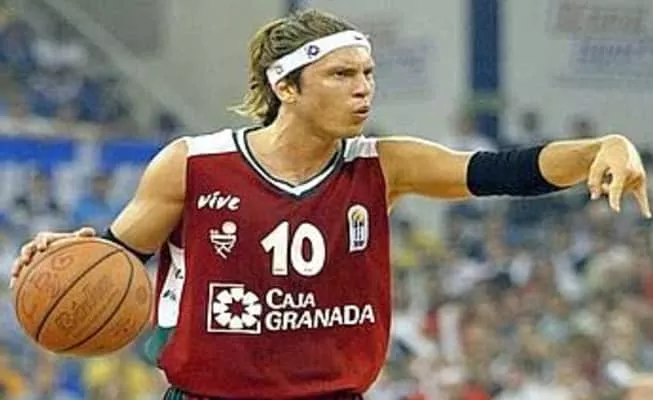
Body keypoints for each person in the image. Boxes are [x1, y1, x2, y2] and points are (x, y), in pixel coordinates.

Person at [9, 9, 651, 400]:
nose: (363, 89)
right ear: (285, 87)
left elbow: (501, 170)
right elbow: (119, 256)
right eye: (342, 75)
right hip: (208, 395)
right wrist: (69, 256)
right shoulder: (192, 163)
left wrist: (602, 147)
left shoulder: (384, 164)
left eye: (367, 74)